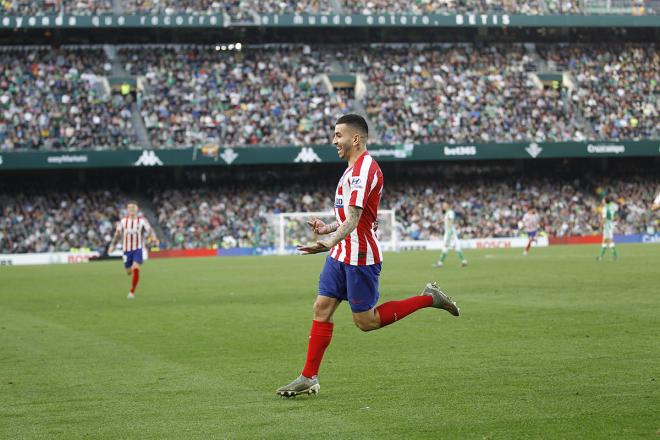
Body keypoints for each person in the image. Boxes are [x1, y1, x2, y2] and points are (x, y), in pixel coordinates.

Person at [275, 114, 460, 398]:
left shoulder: (364, 170)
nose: (334, 140)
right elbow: (348, 218)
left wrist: (327, 241)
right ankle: (308, 377)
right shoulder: (351, 169)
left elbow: (356, 219)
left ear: (356, 138)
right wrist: (328, 228)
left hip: (360, 256)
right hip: (341, 253)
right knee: (321, 308)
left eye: (338, 135)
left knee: (367, 322)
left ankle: (429, 298)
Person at [108, 201, 159, 299]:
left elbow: (150, 231)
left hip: (137, 248)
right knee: (128, 271)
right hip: (126, 250)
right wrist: (112, 245)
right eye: (129, 207)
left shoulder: (142, 221)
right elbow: (117, 234)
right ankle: (130, 268)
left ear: (137, 209)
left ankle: (132, 292)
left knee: (136, 268)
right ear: (127, 209)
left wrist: (154, 238)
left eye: (133, 207)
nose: (131, 209)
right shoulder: (123, 221)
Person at [434, 201, 467, 267]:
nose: (443, 206)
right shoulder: (447, 213)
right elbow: (446, 220)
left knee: (446, 246)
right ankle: (464, 261)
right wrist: (439, 222)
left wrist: (449, 233)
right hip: (450, 232)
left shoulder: (450, 212)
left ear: (447, 206)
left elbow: (451, 222)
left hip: (450, 232)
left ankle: (440, 263)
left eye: (444, 205)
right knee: (456, 247)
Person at [597, 196, 618, 261]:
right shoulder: (612, 206)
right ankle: (600, 256)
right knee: (605, 241)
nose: (602, 201)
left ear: (605, 201)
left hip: (607, 226)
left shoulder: (605, 208)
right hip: (611, 224)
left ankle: (615, 256)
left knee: (609, 241)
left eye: (603, 200)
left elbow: (604, 218)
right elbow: (615, 215)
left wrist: (601, 225)